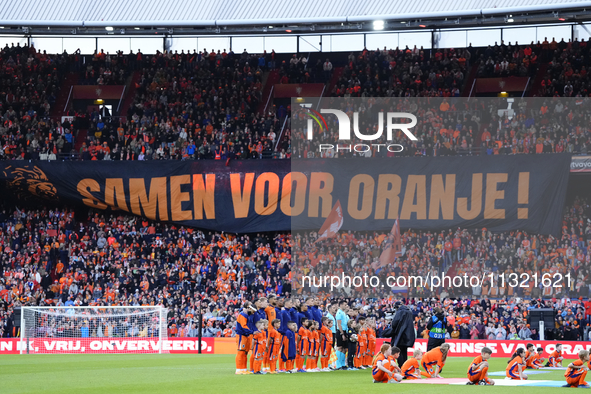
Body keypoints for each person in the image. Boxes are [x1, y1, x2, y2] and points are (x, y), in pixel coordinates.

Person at [390, 301, 416, 366]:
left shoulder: (400, 311)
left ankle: (401, 366)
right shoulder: (409, 311)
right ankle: (405, 366)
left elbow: (394, 323)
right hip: (408, 335)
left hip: (400, 334)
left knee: (399, 351)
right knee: (404, 352)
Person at [235, 302, 256, 375]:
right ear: (249, 308)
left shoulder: (248, 315)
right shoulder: (243, 315)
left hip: (246, 335)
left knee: (245, 353)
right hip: (241, 335)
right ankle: (238, 369)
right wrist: (252, 332)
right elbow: (243, 326)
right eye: (253, 310)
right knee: (240, 352)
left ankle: (243, 369)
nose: (254, 312)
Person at [335, 301, 349, 370]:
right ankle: (338, 365)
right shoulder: (339, 313)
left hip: (345, 331)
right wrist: (342, 333)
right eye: (345, 305)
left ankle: (343, 364)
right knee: (340, 347)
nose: (346, 306)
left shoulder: (343, 313)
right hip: (341, 331)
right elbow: (339, 324)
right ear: (341, 305)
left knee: (344, 348)